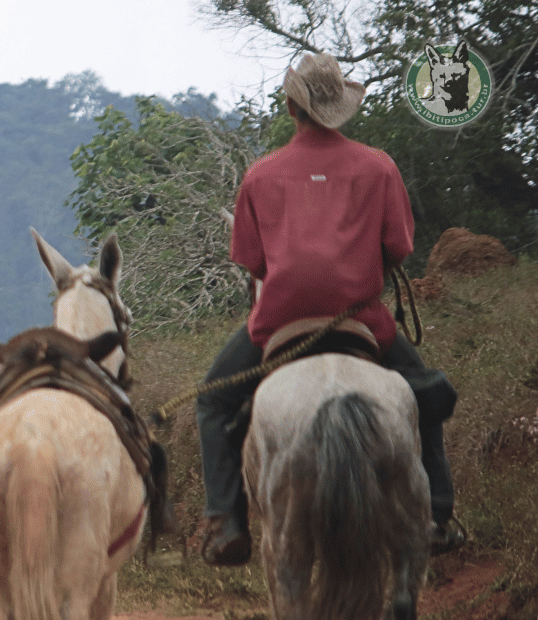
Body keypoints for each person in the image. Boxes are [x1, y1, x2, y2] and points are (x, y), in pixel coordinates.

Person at [196, 53, 465, 567]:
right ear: (339, 106)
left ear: (292, 105)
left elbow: (251, 260)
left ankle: (226, 522)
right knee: (424, 394)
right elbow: (399, 248)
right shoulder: (378, 165)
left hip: (276, 325)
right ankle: (437, 514)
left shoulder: (259, 175)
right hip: (361, 321)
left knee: (212, 403)